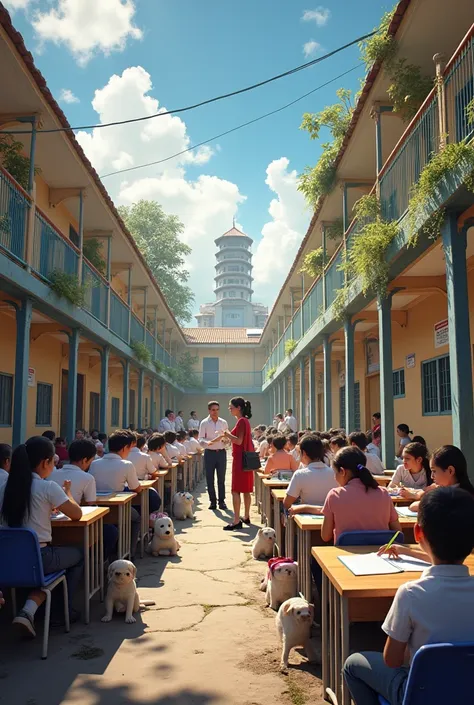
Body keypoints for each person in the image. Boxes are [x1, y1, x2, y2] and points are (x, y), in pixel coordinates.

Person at [344, 487, 474, 705]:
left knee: (353, 664)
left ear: (418, 532)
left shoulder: (410, 594)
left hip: (422, 695)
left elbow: (392, 660)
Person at [0, 436, 83, 636]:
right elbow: (77, 514)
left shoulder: (5, 488)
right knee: (79, 554)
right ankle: (60, 613)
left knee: (39, 570)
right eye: (53, 462)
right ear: (45, 462)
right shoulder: (48, 487)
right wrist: (68, 493)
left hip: (7, 561)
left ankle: (30, 609)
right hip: (40, 558)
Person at [50, 439, 118, 559]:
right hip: (75, 524)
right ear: (85, 460)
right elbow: (90, 503)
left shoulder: (51, 474)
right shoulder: (87, 478)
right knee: (110, 531)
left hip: (51, 524)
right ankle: (97, 562)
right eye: (90, 462)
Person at [319, 447, 401, 543]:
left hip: (346, 556)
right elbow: (397, 532)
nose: (334, 477)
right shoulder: (383, 493)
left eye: (335, 472)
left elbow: (325, 536)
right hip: (379, 555)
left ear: (342, 471)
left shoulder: (334, 495)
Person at [89, 430, 142, 558]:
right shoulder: (126, 465)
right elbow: (136, 488)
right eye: (129, 448)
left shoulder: (94, 464)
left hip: (97, 507)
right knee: (137, 519)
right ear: (124, 448)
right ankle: (130, 551)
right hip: (119, 508)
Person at [409, 445, 474, 512]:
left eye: (434, 471)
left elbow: (413, 506)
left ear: (450, 471)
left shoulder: (445, 498)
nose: (432, 476)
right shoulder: (468, 494)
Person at [222, 397, 254, 530]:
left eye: (231, 407)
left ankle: (236, 520)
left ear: (238, 408)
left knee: (235, 490)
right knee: (246, 490)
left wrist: (227, 434)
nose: (229, 409)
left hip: (240, 460)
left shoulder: (241, 421)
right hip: (246, 459)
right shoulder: (245, 421)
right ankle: (246, 516)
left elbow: (239, 441)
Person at [284, 435, 337, 511]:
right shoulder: (334, 473)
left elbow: (287, 503)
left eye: (300, 452)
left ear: (304, 453)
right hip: (330, 517)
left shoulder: (300, 474)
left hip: (304, 518)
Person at [199, 401, 229, 510]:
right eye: (213, 410)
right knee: (210, 478)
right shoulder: (204, 423)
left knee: (221, 479)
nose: (215, 412)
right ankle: (212, 501)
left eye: (217, 409)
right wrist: (208, 443)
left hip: (221, 452)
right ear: (209, 410)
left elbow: (227, 436)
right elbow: (200, 438)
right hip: (209, 453)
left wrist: (226, 440)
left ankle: (222, 501)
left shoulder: (223, 422)